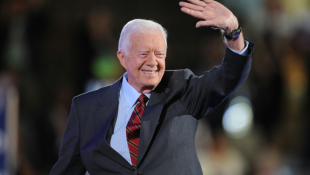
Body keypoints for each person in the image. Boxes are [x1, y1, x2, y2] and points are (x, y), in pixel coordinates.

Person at [50, 0, 254, 174]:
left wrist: (233, 32)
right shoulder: (86, 108)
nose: (152, 62)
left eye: (159, 54)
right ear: (122, 57)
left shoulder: (183, 90)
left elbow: (228, 77)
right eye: (143, 53)